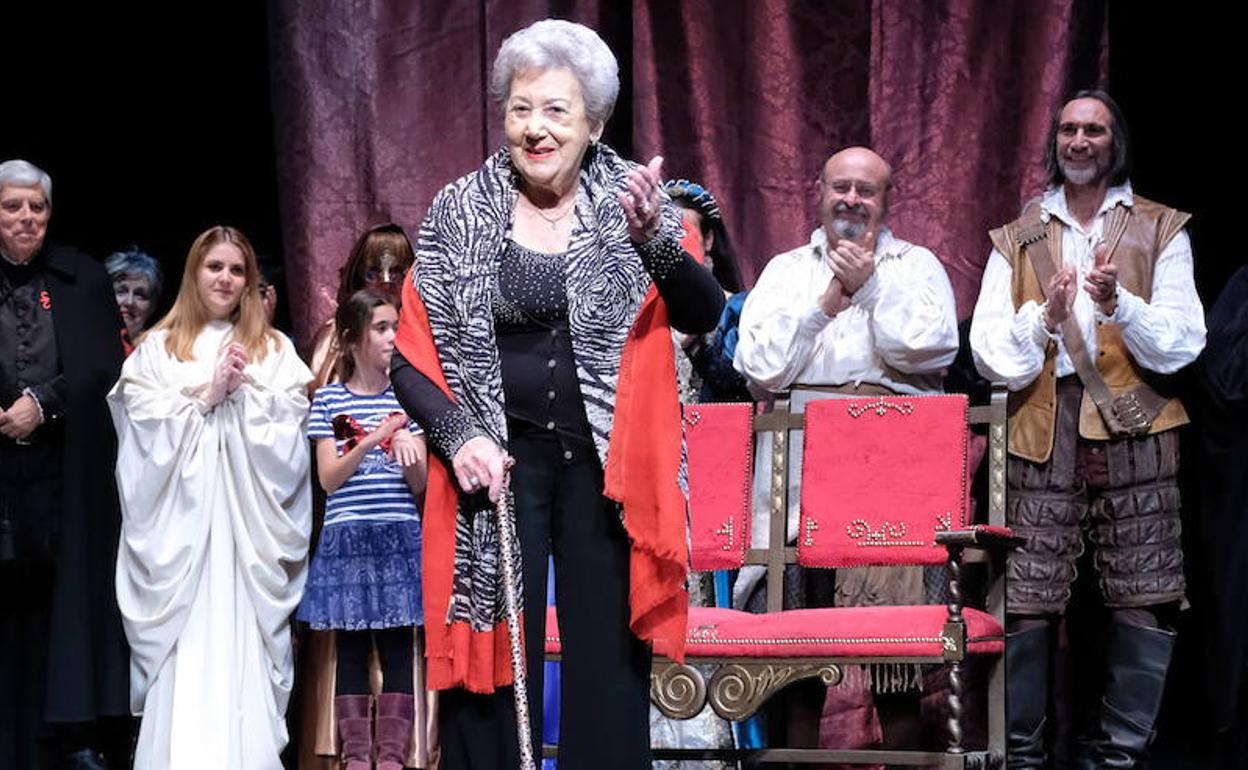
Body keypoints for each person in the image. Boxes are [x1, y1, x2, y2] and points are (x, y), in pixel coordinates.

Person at [390, 19, 724, 769]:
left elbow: (703, 314)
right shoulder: (459, 211)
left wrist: (655, 243)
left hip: (606, 468)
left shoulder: (634, 200)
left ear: (595, 123)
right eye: (520, 108)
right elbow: (408, 358)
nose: (534, 128)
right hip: (496, 466)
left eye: (555, 111)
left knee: (608, 656)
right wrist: (458, 436)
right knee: (491, 658)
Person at [969, 90, 1206, 769]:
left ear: (1114, 142)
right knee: (1028, 601)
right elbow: (987, 349)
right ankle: (1023, 759)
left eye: (1093, 130)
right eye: (1069, 129)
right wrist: (1044, 319)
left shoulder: (1160, 227)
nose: (1079, 140)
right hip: (1042, 427)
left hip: (1135, 429)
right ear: (1056, 142)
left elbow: (1185, 342)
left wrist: (1117, 304)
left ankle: (1117, 762)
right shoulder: (1019, 237)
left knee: (1145, 595)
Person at [732, 146, 959, 754]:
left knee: (893, 657)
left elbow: (930, 349)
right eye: (842, 188)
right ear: (820, 190)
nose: (852, 200)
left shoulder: (916, 266)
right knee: (796, 647)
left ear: (888, 202)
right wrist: (826, 304)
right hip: (798, 476)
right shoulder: (786, 271)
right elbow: (758, 364)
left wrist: (872, 286)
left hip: (888, 478)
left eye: (866, 190)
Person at [109, 225, 314, 769]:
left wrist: (240, 397)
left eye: (236, 269)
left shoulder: (274, 351)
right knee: (186, 658)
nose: (224, 278)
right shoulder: (157, 349)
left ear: (250, 281)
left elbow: (291, 435)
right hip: (182, 544)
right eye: (214, 266)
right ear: (194, 273)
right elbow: (141, 431)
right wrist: (207, 394)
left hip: (245, 545)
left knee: (239, 655)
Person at [0, 159, 130, 770]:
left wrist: (41, 405)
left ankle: (68, 733)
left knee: (64, 598)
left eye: (37, 208)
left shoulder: (82, 278)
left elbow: (103, 364)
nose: (26, 218)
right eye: (12, 207)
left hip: (63, 468)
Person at [297, 290, 428, 770]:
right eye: (381, 328)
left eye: (396, 326)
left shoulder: (409, 398)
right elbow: (328, 479)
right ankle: (355, 758)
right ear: (352, 338)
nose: (393, 337)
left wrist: (410, 451)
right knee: (350, 650)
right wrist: (374, 438)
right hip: (349, 539)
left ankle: (392, 758)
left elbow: (422, 486)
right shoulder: (330, 399)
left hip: (396, 536)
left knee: (397, 648)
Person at [309, 224, 415, 389]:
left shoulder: (424, 331)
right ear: (357, 278)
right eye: (373, 273)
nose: (386, 283)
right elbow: (322, 392)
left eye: (396, 273)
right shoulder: (335, 334)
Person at [104, 246, 164, 349]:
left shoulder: (158, 351)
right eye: (121, 291)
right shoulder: (84, 340)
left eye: (140, 295)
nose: (129, 302)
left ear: (152, 306)